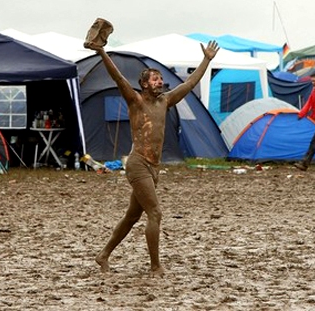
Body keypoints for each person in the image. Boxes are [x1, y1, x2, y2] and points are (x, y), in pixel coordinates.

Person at [85, 19, 219, 277]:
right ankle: (156, 266)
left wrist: (206, 61)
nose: (160, 82)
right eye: (156, 79)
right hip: (138, 165)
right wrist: (101, 51)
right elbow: (118, 77)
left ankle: (103, 255)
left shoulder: (165, 101)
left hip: (153, 168)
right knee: (155, 213)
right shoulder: (135, 100)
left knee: (132, 216)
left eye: (160, 78)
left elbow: (190, 84)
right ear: (145, 84)